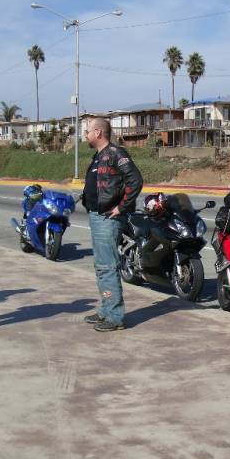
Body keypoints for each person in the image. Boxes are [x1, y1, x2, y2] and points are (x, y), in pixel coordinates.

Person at [81, 118, 143, 332]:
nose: (86, 135)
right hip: (97, 216)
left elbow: (135, 181)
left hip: (108, 218)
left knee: (107, 266)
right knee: (101, 266)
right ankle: (106, 310)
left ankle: (115, 316)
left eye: (87, 131)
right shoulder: (99, 156)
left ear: (98, 133)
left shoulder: (116, 153)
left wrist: (121, 207)